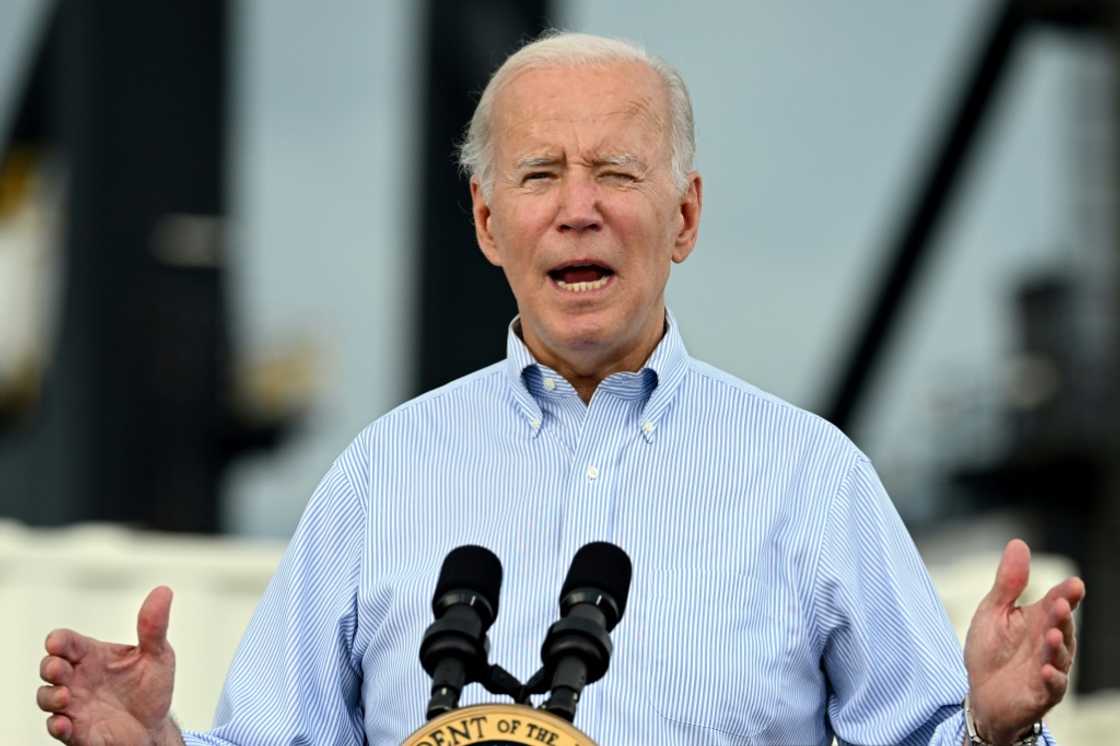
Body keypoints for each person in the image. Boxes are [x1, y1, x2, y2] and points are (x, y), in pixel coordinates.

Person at [37, 32, 1084, 746]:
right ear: (489, 223)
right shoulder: (381, 477)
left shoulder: (809, 480)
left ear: (683, 216)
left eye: (616, 172)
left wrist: (993, 725)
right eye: (538, 174)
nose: (576, 209)